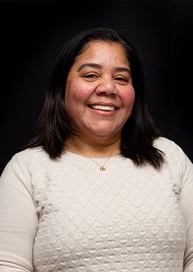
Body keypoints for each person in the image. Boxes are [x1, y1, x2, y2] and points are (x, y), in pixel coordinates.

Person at [0, 27, 193, 272]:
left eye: (121, 78)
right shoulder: (26, 170)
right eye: (91, 75)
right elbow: (8, 265)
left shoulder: (170, 157)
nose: (107, 88)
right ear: (62, 88)